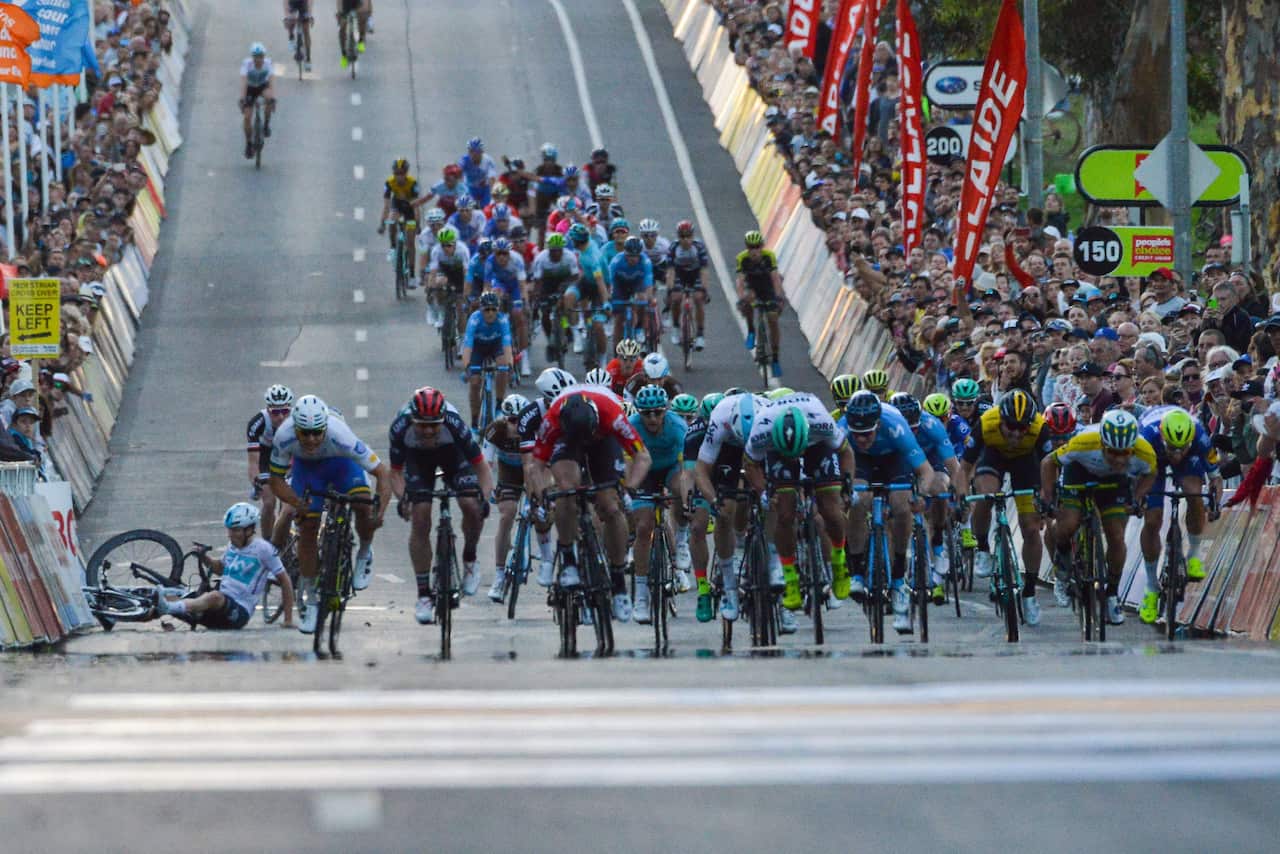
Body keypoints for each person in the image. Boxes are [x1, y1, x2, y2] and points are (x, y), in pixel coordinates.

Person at [268, 395, 390, 633]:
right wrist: (296, 503)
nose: (312, 439)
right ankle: (312, 600)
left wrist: (379, 511)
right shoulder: (284, 436)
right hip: (308, 470)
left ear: (325, 427)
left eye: (317, 433)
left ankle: (364, 552)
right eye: (305, 433)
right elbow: (276, 480)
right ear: (296, 429)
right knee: (307, 529)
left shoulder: (340, 435)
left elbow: (382, 473)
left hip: (342, 464)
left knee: (362, 506)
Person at [530, 388, 652, 621]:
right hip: (567, 442)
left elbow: (642, 457)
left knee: (610, 506)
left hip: (604, 441)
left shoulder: (612, 415)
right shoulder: (553, 419)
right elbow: (536, 465)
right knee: (567, 489)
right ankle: (568, 559)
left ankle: (618, 582)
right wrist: (543, 492)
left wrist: (629, 489)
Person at [744, 391, 856, 626]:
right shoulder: (761, 430)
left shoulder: (821, 421)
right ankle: (790, 577)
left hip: (817, 447)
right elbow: (751, 464)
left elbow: (846, 452)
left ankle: (838, 559)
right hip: (779, 452)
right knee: (784, 514)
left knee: (831, 509)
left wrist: (847, 484)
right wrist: (764, 493)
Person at [389, 387, 494, 624]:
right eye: (421, 425)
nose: (427, 431)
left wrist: (484, 501)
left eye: (434, 425)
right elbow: (394, 473)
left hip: (453, 456)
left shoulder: (455, 425)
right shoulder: (400, 427)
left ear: (443, 419)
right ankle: (424, 594)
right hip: (417, 461)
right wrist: (403, 497)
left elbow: (482, 469)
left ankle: (470, 558)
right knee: (421, 514)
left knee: (470, 504)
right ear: (412, 419)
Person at [1042, 409, 1157, 627]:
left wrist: (1137, 497)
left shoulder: (1145, 452)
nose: (1119, 458)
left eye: (1125, 453)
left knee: (1116, 536)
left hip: (1115, 483)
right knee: (1068, 524)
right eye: (1113, 452)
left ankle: (1112, 594)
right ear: (1103, 444)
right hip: (1079, 472)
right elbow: (1048, 462)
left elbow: (1151, 473)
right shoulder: (1083, 443)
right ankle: (1063, 566)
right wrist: (1048, 498)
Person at [841, 391, 940, 633]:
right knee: (857, 499)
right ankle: (856, 572)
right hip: (859, 462)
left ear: (877, 424)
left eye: (867, 434)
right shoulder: (841, 430)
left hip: (893, 459)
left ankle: (897, 580)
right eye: (857, 434)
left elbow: (926, 472)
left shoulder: (896, 425)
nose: (862, 439)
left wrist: (922, 495)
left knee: (902, 505)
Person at [962, 389, 1049, 624]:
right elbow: (965, 465)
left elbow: (1049, 468)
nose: (1017, 433)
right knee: (986, 496)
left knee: (1031, 528)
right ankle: (982, 547)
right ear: (1001, 420)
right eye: (1011, 426)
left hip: (1026, 463)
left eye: (1023, 428)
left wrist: (1044, 498)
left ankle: (1029, 592)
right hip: (994, 457)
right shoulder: (986, 423)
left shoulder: (1040, 428)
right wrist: (960, 493)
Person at [1135, 406, 1223, 623]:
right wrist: (1136, 500)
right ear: (1164, 437)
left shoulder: (1200, 436)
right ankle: (1151, 587)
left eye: (1181, 448)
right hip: (1153, 456)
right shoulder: (1145, 436)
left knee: (1194, 494)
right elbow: (1134, 478)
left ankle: (1193, 554)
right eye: (1172, 448)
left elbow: (1216, 479)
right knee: (1153, 519)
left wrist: (1214, 503)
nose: (1176, 454)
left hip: (1190, 457)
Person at [154, 502, 295, 629]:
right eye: (229, 530)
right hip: (217, 607)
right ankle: (139, 611)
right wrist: (204, 558)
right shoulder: (232, 546)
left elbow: (285, 581)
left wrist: (288, 619)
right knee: (171, 595)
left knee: (214, 596)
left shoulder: (264, 550)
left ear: (249, 530)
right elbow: (221, 569)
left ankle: (168, 608)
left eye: (235, 530)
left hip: (238, 612)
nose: (230, 535)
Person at [892, 393, 969, 604]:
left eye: (916, 427)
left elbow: (954, 467)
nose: (913, 432)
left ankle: (937, 542)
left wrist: (959, 494)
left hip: (930, 462)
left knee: (940, 486)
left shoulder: (931, 424)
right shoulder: (888, 426)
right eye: (909, 429)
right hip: (899, 463)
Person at [628, 385, 689, 624]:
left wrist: (686, 498)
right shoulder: (632, 425)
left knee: (681, 491)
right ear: (639, 413)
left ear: (665, 411)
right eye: (646, 413)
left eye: (657, 412)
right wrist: (628, 489)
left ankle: (681, 540)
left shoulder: (678, 427)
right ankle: (641, 595)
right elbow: (627, 463)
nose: (652, 418)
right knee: (643, 528)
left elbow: (686, 470)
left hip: (672, 468)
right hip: (644, 471)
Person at [518, 368, 577, 585]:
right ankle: (546, 558)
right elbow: (529, 464)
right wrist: (538, 495)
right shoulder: (530, 415)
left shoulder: (579, 406)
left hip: (570, 453)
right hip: (541, 456)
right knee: (540, 508)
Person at [485, 393, 544, 602]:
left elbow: (542, 466)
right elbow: (486, 464)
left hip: (532, 470)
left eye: (520, 420)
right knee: (507, 514)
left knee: (539, 511)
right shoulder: (495, 431)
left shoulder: (536, 428)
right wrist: (488, 490)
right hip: (508, 472)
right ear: (504, 418)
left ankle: (543, 554)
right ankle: (499, 575)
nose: (517, 425)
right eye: (512, 420)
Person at [671, 392, 716, 620]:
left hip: (729, 463)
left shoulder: (733, 424)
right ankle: (703, 587)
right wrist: (688, 501)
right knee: (698, 527)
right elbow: (688, 474)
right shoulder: (694, 432)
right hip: (702, 470)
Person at [246, 384, 295, 541]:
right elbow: (253, 462)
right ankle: (268, 545)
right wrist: (257, 482)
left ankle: (284, 538)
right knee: (269, 502)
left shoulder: (298, 420)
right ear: (268, 410)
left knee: (287, 503)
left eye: (285, 411)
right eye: (275, 412)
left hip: (289, 457)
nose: (281, 417)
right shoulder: (257, 423)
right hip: (266, 459)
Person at [460, 292, 514, 429]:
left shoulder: (502, 320)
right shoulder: (474, 319)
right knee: (475, 382)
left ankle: (498, 406)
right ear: (481, 310)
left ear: (498, 310)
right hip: (477, 348)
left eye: (493, 309)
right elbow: (467, 346)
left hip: (495, 346)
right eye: (486, 310)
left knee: (502, 367)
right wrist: (467, 367)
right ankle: (474, 423)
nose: (490, 313)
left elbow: (507, 346)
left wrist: (510, 365)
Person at [735, 230, 784, 377]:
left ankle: (775, 358)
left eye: (757, 247)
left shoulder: (769, 257)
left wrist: (779, 297)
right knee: (747, 301)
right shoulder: (742, 258)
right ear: (747, 248)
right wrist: (741, 297)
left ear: (761, 246)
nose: (754, 251)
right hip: (753, 287)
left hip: (767, 286)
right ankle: (751, 330)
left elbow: (775, 278)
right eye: (751, 247)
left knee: (773, 320)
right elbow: (740, 281)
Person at [378, 158, 428, 276]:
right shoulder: (389, 183)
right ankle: (393, 248)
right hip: (397, 205)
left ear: (406, 173)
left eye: (402, 173)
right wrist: (382, 224)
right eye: (396, 173)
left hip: (410, 207)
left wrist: (418, 224)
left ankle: (411, 273)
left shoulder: (413, 183)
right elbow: (386, 205)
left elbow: (416, 206)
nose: (399, 176)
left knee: (410, 241)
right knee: (391, 220)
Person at [665, 220, 710, 351]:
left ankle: (700, 334)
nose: (685, 240)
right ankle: (676, 327)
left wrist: (704, 289)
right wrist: (669, 289)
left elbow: (704, 270)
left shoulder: (699, 247)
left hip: (695, 274)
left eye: (688, 236)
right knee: (676, 298)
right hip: (679, 274)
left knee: (698, 298)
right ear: (678, 237)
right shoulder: (673, 247)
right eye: (682, 236)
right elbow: (671, 271)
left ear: (692, 236)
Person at [608, 236, 655, 348]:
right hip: (620, 285)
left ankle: (639, 328)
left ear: (640, 254)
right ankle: (616, 350)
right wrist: (609, 297)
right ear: (625, 253)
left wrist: (649, 298)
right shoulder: (616, 261)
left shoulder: (645, 261)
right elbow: (609, 282)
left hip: (637, 285)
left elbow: (648, 283)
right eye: (630, 256)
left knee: (642, 300)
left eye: (636, 256)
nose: (633, 259)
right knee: (619, 318)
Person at [239, 43, 275, 160]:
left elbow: (271, 82)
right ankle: (249, 143)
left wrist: (272, 98)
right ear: (252, 57)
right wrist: (242, 99)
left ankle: (266, 125)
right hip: (250, 88)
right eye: (256, 56)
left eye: (260, 56)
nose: (258, 59)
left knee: (269, 98)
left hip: (262, 86)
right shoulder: (247, 64)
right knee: (247, 117)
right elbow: (244, 82)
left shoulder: (268, 64)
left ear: (264, 56)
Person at [336, 0, 370, 68]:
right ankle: (344, 55)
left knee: (363, 17)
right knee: (342, 26)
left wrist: (366, 10)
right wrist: (340, 12)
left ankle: (361, 40)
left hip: (358, 2)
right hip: (345, 3)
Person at [284, 0, 313, 71]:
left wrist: (310, 14)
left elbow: (310, 1)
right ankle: (291, 37)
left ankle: (308, 59)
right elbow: (285, 2)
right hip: (292, 3)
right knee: (290, 20)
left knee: (306, 30)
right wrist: (287, 16)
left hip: (304, 4)